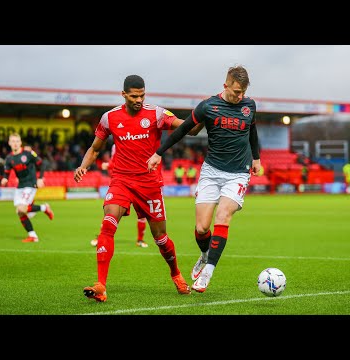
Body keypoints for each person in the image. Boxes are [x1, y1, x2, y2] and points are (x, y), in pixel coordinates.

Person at [74, 74, 203, 302]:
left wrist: (203, 115)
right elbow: (95, 148)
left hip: (149, 183)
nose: (139, 100)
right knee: (107, 225)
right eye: (134, 96)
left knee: (160, 237)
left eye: (142, 95)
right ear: (123, 95)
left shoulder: (157, 114)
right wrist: (83, 166)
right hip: (121, 180)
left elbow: (188, 129)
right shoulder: (109, 118)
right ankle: (101, 285)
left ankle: (176, 274)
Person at [147, 65, 261, 293]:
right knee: (201, 228)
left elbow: (252, 130)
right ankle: (205, 254)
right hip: (211, 171)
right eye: (236, 91)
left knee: (223, 215)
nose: (240, 97)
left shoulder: (250, 105)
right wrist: (159, 153)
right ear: (225, 85)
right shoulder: (208, 106)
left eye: (243, 92)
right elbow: (183, 130)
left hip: (238, 171)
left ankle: (208, 271)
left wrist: (256, 158)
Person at [91, 143, 149, 248]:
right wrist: (109, 165)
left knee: (142, 213)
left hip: (139, 182)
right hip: (122, 183)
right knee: (110, 211)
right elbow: (116, 162)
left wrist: (108, 165)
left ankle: (140, 240)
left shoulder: (140, 141)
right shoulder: (116, 145)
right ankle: (101, 237)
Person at [0, 133, 54, 243]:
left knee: (22, 209)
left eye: (17, 141)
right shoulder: (9, 158)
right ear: (9, 143)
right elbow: (6, 172)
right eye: (13, 141)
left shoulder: (28, 153)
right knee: (20, 212)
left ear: (20, 142)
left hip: (31, 183)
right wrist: (5, 179)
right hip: (20, 186)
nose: (15, 143)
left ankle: (43, 208)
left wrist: (40, 178)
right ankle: (33, 235)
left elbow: (42, 163)